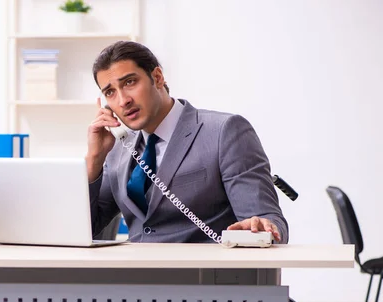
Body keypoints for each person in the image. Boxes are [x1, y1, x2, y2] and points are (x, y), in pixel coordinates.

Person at [86, 41, 288, 244]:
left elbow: (266, 220)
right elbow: (87, 229)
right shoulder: (118, 147)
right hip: (134, 273)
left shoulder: (224, 131)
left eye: (130, 82)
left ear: (157, 78)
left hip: (205, 273)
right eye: (110, 92)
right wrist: (94, 159)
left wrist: (263, 227)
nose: (123, 101)